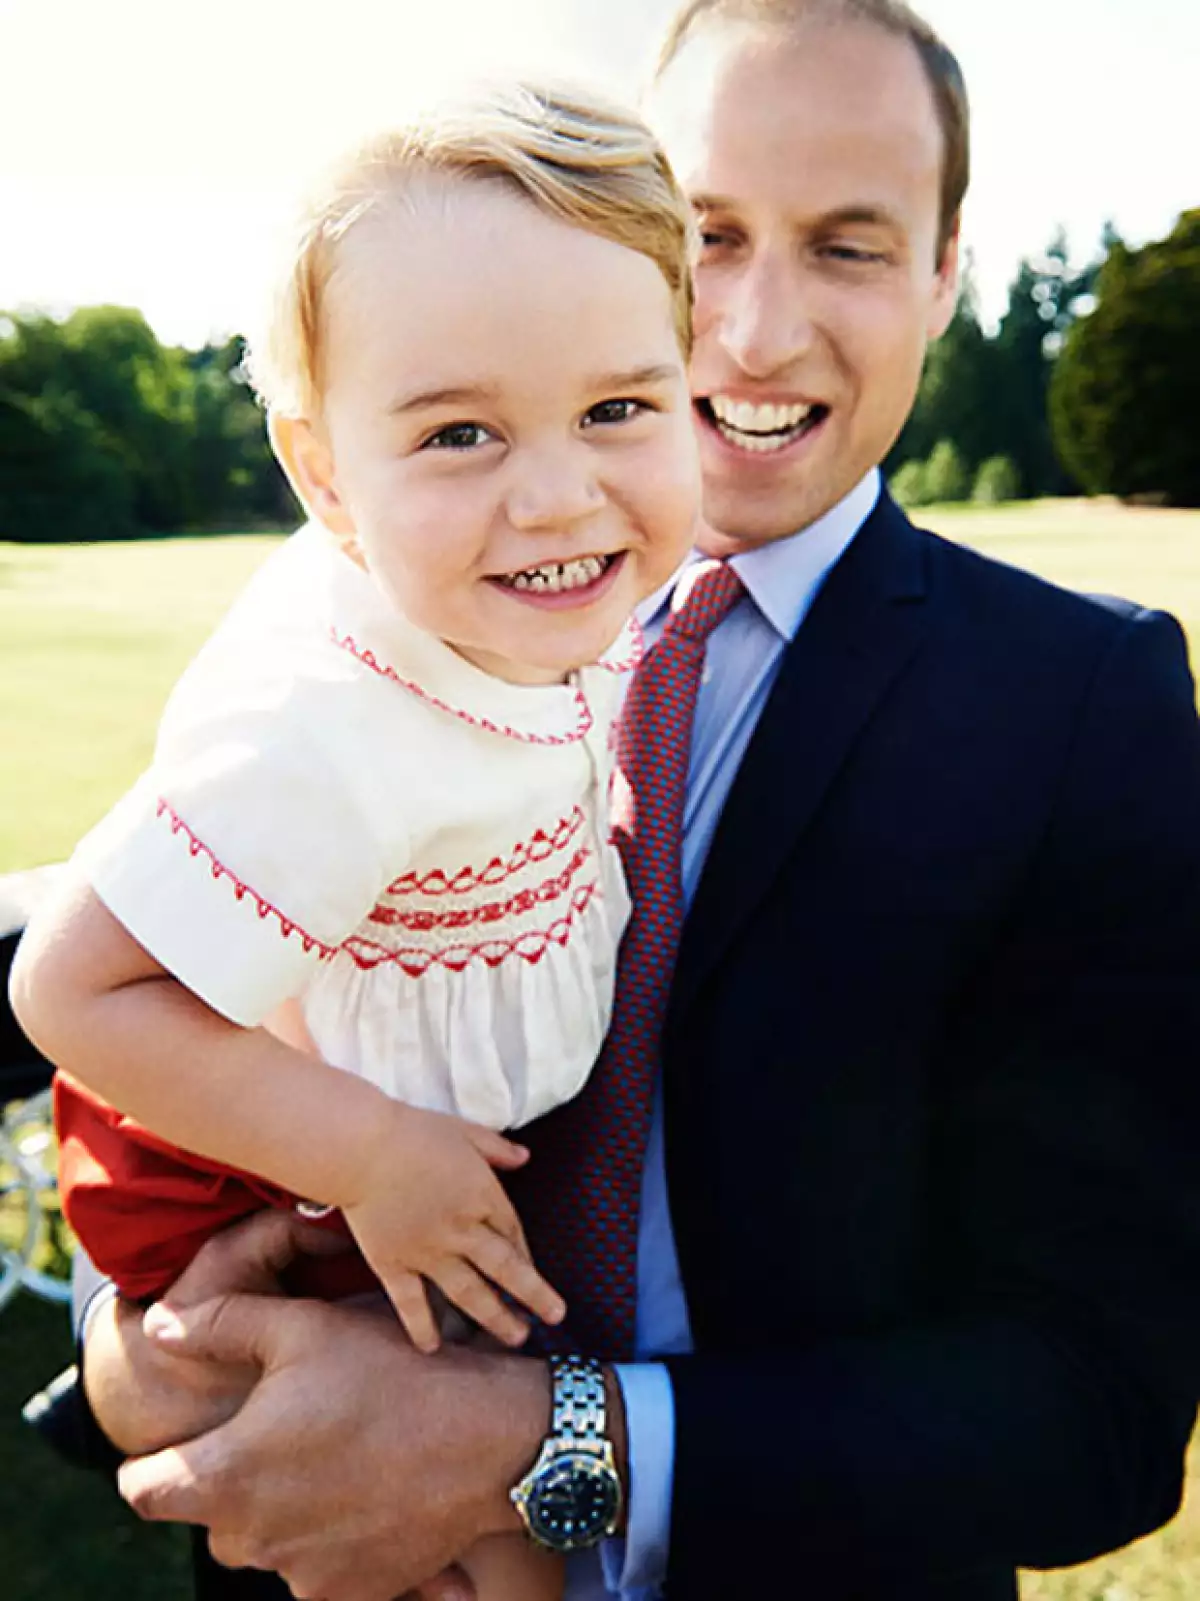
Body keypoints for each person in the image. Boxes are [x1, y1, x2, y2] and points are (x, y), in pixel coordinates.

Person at [32, 3, 1200, 1600]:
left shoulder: (1083, 704)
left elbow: (1095, 1413)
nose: (756, 330)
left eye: (850, 247)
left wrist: (544, 1443)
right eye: (709, 235)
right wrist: (141, 1351)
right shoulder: (397, 610)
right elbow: (159, 977)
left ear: (946, 271)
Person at [11, 81, 702, 1601]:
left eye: (616, 409)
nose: (557, 491)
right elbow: (69, 992)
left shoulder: (529, 605)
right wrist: (372, 1155)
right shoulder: (333, 721)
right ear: (327, 475)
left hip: (372, 1137)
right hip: (266, 1165)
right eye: (459, 432)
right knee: (484, 1530)